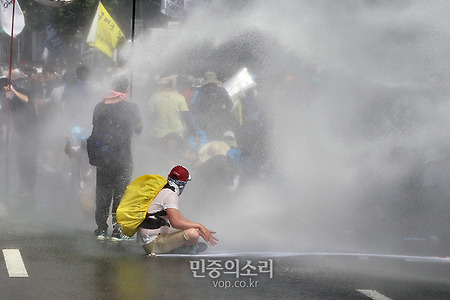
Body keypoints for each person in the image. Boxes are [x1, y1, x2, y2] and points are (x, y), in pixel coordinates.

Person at [90, 74, 142, 241]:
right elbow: (139, 129)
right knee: (121, 193)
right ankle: (118, 231)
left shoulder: (99, 106)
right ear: (127, 89)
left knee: (102, 192)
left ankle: (101, 229)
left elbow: (96, 127)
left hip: (103, 158)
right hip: (123, 158)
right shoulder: (132, 107)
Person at [137, 165, 218, 254]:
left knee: (194, 230)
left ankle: (179, 247)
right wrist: (199, 226)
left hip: (151, 240)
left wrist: (201, 230)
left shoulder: (163, 190)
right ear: (182, 183)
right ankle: (187, 250)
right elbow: (175, 223)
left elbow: (180, 218)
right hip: (153, 244)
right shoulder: (170, 194)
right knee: (193, 234)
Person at [1, 70, 39, 198]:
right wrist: (7, 100)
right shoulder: (7, 96)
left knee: (29, 159)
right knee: (20, 158)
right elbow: (7, 111)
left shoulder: (21, 91)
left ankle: (29, 188)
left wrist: (13, 91)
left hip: (31, 131)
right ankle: (23, 185)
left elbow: (26, 100)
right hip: (20, 132)